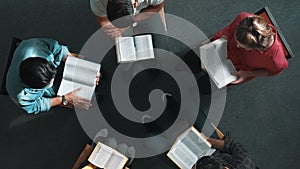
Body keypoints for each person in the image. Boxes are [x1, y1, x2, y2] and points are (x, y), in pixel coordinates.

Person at [6, 38, 99, 114]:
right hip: (40, 88)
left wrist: (87, 67)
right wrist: (63, 99)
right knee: (78, 101)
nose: (53, 81)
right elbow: (35, 106)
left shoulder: (35, 46)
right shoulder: (21, 97)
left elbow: (60, 51)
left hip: (46, 61)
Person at [211, 12, 288, 84]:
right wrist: (218, 43)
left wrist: (247, 74)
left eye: (241, 46)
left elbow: (273, 72)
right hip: (227, 45)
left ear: (255, 49)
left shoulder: (276, 61)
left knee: (209, 87)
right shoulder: (243, 18)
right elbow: (229, 31)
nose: (237, 46)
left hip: (239, 68)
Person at [90, 0, 166, 38]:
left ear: (135, 4)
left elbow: (157, 7)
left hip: (145, 9)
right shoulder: (97, 2)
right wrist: (115, 34)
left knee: (163, 49)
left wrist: (134, 21)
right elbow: (103, 20)